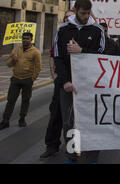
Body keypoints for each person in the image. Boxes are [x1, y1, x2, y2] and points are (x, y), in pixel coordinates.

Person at [53, 0, 105, 163]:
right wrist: (64, 81)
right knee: (69, 123)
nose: (86, 16)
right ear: (75, 10)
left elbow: (104, 56)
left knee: (93, 121)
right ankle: (71, 156)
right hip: (69, 85)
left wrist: (82, 50)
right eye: (83, 13)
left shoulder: (97, 30)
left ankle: (92, 157)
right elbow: (58, 57)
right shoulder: (63, 30)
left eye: (88, 13)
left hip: (91, 85)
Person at [40, 10, 74, 159]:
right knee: (56, 114)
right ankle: (52, 145)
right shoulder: (60, 35)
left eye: (70, 16)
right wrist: (55, 77)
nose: (67, 19)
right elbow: (53, 57)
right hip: (61, 82)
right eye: (65, 17)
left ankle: (74, 148)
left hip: (78, 82)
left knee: (75, 118)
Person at [0, 32, 42, 130]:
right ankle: (5, 120)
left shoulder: (35, 52)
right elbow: (8, 64)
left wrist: (32, 79)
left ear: (31, 40)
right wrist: (13, 60)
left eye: (27, 38)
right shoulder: (16, 49)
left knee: (25, 100)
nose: (25, 40)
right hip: (15, 79)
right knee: (10, 100)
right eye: (23, 38)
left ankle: (22, 118)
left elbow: (38, 67)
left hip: (27, 80)